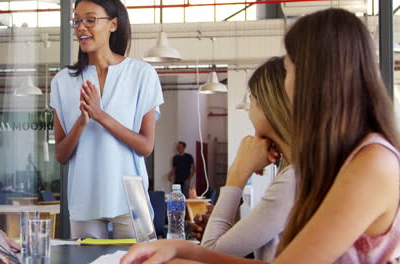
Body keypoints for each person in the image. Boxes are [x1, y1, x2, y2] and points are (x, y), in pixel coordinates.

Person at [121, 8, 399, 264]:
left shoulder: (372, 163)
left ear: (313, 77)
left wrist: (189, 252)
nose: (285, 83)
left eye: (288, 70)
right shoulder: (341, 160)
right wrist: (182, 249)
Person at [50, 0, 163, 239]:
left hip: (131, 199)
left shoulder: (142, 74)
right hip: (84, 200)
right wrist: (82, 122)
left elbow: (145, 146)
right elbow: (61, 155)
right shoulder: (62, 81)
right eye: (77, 21)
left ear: (113, 24)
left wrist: (100, 116)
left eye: (90, 20)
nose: (81, 27)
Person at [192, 57, 294, 262]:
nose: (249, 109)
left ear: (270, 105)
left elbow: (210, 255)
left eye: (253, 100)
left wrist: (237, 173)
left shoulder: (293, 180)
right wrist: (226, 225)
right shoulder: (292, 173)